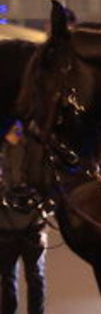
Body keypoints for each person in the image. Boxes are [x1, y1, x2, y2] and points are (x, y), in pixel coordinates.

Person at [1, 126, 44, 314]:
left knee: (32, 277)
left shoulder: (36, 143)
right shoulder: (13, 141)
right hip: (8, 224)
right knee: (11, 278)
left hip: (31, 223)